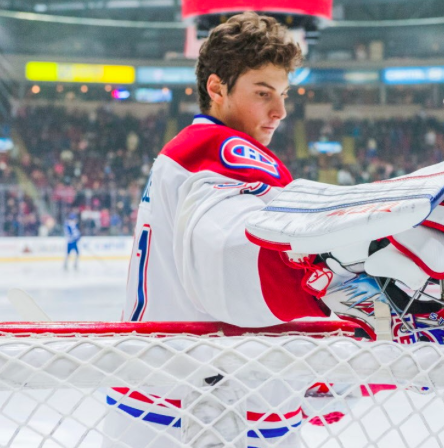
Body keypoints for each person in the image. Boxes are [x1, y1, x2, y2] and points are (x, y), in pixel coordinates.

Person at [105, 12, 328, 448]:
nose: (280, 111)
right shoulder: (219, 149)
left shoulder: (187, 151)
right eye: (263, 93)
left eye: (283, 94)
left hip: (162, 399)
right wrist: (344, 284)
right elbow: (236, 258)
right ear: (216, 88)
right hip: (208, 414)